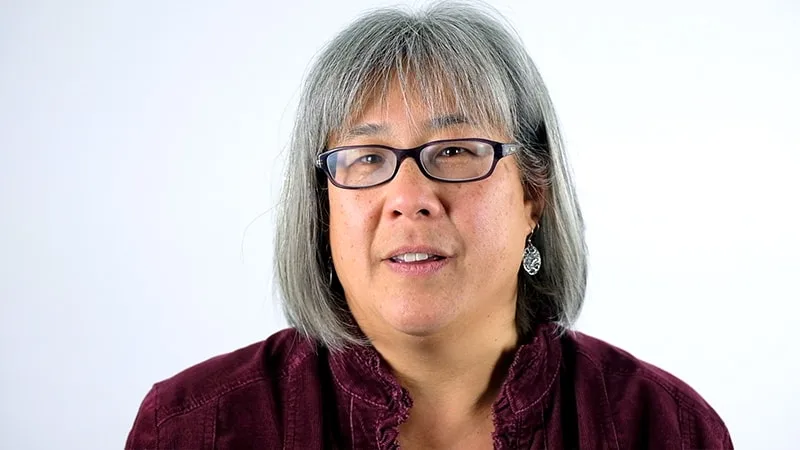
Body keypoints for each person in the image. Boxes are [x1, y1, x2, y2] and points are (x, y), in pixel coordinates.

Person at [126, 2, 732, 449]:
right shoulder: (192, 427)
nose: (409, 199)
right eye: (367, 158)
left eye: (456, 151)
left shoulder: (664, 428)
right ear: (323, 207)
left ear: (534, 194)